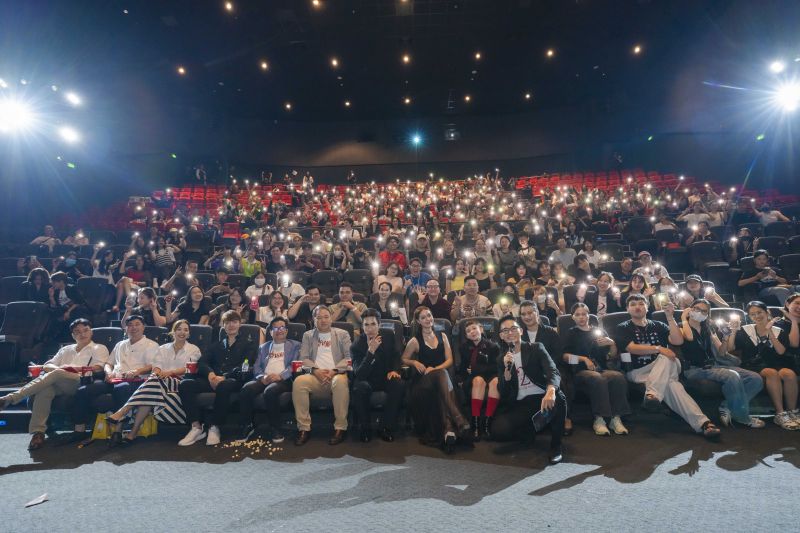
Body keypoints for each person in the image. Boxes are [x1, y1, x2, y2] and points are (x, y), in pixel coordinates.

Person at [614, 295, 721, 439]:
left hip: (664, 367)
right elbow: (632, 348)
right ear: (627, 309)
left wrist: (670, 317)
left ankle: (652, 396)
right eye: (633, 304)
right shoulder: (623, 327)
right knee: (674, 386)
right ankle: (704, 424)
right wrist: (659, 348)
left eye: (641, 303)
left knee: (668, 358)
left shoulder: (659, 325)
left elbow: (677, 341)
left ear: (647, 307)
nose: (637, 306)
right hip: (638, 372)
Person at [0, 319, 109, 450]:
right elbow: (48, 365)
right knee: (45, 389)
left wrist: (68, 369)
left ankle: (10, 398)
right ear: (73, 335)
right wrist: (60, 370)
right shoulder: (66, 349)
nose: (82, 334)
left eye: (86, 330)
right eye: (78, 332)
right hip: (59, 382)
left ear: (91, 332)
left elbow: (98, 368)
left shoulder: (99, 348)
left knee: (56, 373)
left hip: (81, 382)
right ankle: (38, 432)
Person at [105, 320, 201, 445]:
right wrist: (158, 373)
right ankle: (132, 433)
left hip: (180, 382)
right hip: (159, 382)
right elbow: (156, 367)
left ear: (189, 334)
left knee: (152, 383)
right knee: (150, 393)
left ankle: (123, 411)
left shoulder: (194, 349)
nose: (182, 332)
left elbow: (189, 368)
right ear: (173, 332)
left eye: (185, 330)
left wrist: (170, 372)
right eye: (179, 329)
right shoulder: (163, 348)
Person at [678, 300, 764, 429]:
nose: (700, 313)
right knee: (731, 375)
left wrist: (725, 337)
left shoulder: (708, 327)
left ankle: (726, 406)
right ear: (690, 309)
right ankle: (741, 417)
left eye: (704, 311)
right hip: (694, 369)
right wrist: (684, 318)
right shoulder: (681, 326)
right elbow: (689, 337)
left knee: (755, 378)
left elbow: (722, 352)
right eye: (696, 309)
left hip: (714, 366)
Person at [493, 315, 567, 464]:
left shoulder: (536, 348)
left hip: (541, 396)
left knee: (558, 397)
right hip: (521, 403)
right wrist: (506, 372)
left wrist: (550, 391)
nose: (510, 333)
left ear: (521, 331)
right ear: (501, 336)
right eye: (505, 330)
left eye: (513, 328)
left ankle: (556, 445)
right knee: (498, 431)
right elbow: (504, 392)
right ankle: (532, 429)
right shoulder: (502, 359)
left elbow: (553, 371)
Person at [178, 311, 258, 446]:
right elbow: (202, 362)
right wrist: (210, 374)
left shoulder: (248, 344)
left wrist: (224, 376)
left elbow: (245, 365)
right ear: (223, 325)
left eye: (234, 322)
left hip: (234, 380)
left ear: (240, 324)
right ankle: (196, 427)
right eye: (227, 322)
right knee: (185, 384)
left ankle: (215, 426)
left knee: (224, 385)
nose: (231, 325)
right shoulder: (216, 345)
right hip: (213, 379)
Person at [401, 306, 471, 453]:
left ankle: (448, 430)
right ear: (418, 321)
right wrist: (414, 362)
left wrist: (435, 369)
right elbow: (404, 358)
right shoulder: (415, 340)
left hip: (441, 379)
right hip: (422, 382)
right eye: (423, 317)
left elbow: (450, 360)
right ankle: (459, 418)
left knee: (442, 377)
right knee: (442, 376)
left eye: (429, 315)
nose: (428, 319)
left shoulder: (443, 336)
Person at [727, 301, 798, 430]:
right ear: (749, 316)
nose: (757, 316)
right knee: (771, 373)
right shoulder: (745, 330)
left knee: (789, 373)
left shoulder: (779, 330)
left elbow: (780, 351)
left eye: (759, 312)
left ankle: (792, 411)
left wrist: (769, 331)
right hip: (753, 364)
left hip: (776, 362)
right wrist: (733, 332)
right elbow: (730, 349)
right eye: (752, 314)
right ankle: (780, 413)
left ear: (767, 312)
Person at [562, 303, 630, 435]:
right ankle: (600, 419)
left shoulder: (599, 332)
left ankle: (616, 418)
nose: (581, 317)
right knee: (597, 378)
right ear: (572, 317)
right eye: (577, 315)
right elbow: (565, 357)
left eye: (584, 314)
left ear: (589, 315)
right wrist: (583, 359)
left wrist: (612, 344)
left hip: (601, 368)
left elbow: (611, 356)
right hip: (580, 371)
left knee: (617, 377)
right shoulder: (571, 333)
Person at [96, 315, 161, 445]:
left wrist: (137, 371)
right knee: (88, 389)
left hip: (137, 381)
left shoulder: (152, 345)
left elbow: (152, 366)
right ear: (125, 328)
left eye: (137, 324)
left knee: (122, 388)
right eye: (130, 325)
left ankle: (117, 431)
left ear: (143, 327)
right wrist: (108, 372)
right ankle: (79, 429)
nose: (133, 327)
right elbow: (108, 363)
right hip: (115, 379)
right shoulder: (120, 344)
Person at [293, 305, 352, 445]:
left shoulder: (342, 334)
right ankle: (304, 428)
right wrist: (316, 371)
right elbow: (303, 358)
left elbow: (349, 357)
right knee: (299, 382)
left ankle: (340, 428)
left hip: (336, 375)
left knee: (340, 381)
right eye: (319, 317)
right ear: (313, 320)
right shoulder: (308, 335)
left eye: (326, 317)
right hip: (315, 376)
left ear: (331, 318)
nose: (323, 320)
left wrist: (334, 371)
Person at [238, 317, 301, 443]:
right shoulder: (263, 347)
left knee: (270, 391)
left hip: (284, 380)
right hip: (264, 378)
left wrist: (280, 376)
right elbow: (256, 366)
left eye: (282, 327)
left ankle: (275, 428)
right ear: (271, 332)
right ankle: (248, 425)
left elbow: (294, 365)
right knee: (246, 389)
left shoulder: (295, 345)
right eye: (275, 328)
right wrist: (262, 377)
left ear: (286, 331)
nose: (279, 330)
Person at [350, 309, 405, 442]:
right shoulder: (356, 345)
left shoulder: (388, 335)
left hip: (385, 376)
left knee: (398, 384)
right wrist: (370, 352)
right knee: (359, 387)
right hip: (366, 379)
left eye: (373, 324)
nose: (370, 329)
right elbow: (360, 374)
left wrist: (395, 370)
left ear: (379, 325)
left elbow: (396, 356)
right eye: (366, 325)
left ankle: (385, 427)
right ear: (362, 327)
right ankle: (366, 428)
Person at [458, 320, 501, 440]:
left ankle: (487, 422)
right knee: (478, 380)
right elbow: (463, 366)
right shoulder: (464, 348)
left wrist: (477, 369)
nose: (472, 332)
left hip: (492, 374)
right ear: (466, 335)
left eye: (474, 328)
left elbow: (496, 367)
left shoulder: (493, 346)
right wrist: (461, 378)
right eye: (468, 331)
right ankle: (476, 423)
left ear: (481, 329)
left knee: (496, 382)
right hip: (475, 376)